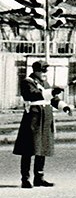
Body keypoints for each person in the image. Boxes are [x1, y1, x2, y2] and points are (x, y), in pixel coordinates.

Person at [12, 60, 72, 188]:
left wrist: (64, 106)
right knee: (29, 148)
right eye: (42, 70)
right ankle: (25, 178)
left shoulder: (44, 83)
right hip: (33, 117)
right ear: (35, 70)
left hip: (45, 118)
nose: (45, 73)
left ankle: (39, 177)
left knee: (42, 148)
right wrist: (51, 92)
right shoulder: (27, 82)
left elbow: (52, 99)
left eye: (45, 70)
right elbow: (32, 95)